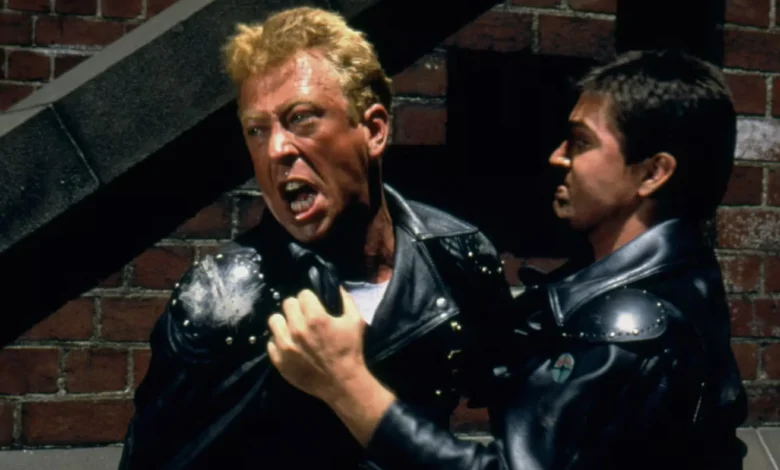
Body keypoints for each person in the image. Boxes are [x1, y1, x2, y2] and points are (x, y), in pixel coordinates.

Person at [268, 49, 748, 470]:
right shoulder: (670, 278)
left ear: (653, 173)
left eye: (581, 142)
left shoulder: (631, 327)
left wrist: (347, 383)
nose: (558, 156)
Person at [117, 6, 513, 470]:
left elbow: (522, 431)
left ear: (374, 130)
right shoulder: (225, 298)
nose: (276, 149)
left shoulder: (457, 254)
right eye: (256, 130)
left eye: (301, 118)